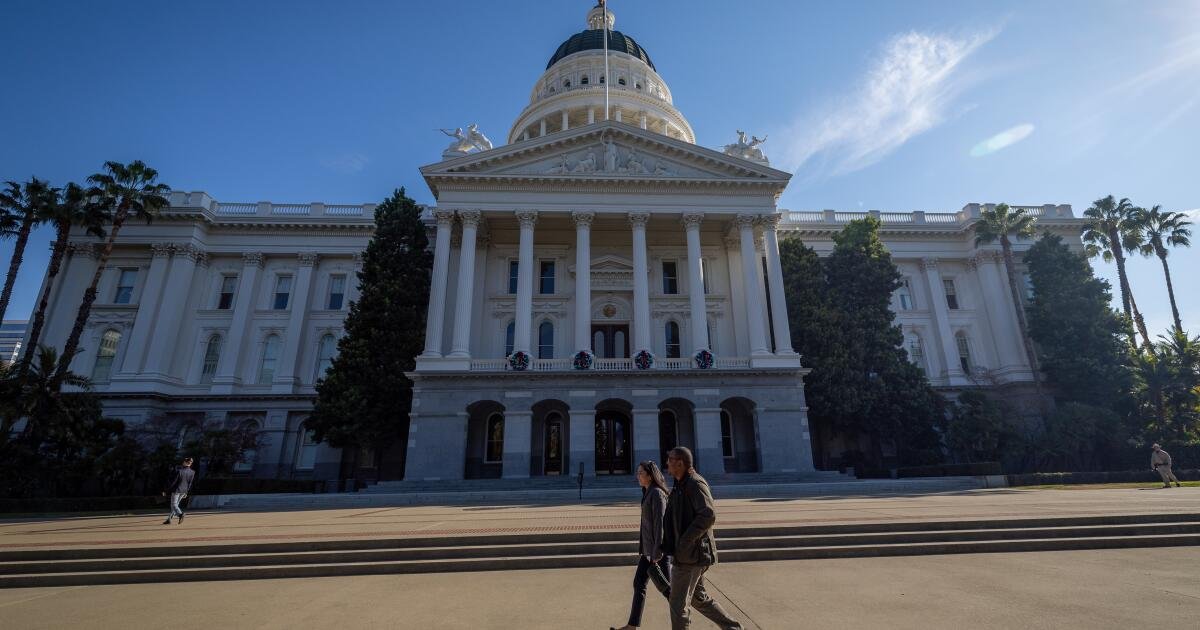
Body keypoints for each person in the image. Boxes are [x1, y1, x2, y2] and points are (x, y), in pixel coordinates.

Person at [662, 447, 743, 630]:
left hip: (690, 555)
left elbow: (708, 515)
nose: (667, 463)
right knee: (699, 599)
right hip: (687, 553)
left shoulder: (694, 484)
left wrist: (684, 542)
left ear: (680, 463)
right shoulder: (680, 484)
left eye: (670, 459)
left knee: (677, 605)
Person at [611, 461, 672, 630]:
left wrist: (657, 552)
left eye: (640, 473)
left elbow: (660, 525)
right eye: (637, 473)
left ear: (650, 476)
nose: (637, 476)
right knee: (639, 583)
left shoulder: (657, 494)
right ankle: (632, 625)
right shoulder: (647, 492)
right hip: (648, 551)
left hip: (657, 552)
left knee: (669, 591)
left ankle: (683, 619)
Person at [162, 457, 196, 524]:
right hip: (184, 491)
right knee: (175, 505)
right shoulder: (192, 472)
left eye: (183, 461)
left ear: (185, 462)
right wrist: (186, 492)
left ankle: (180, 514)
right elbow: (190, 483)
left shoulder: (179, 471)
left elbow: (173, 482)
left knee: (174, 505)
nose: (182, 463)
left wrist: (166, 490)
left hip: (177, 490)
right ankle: (169, 519)